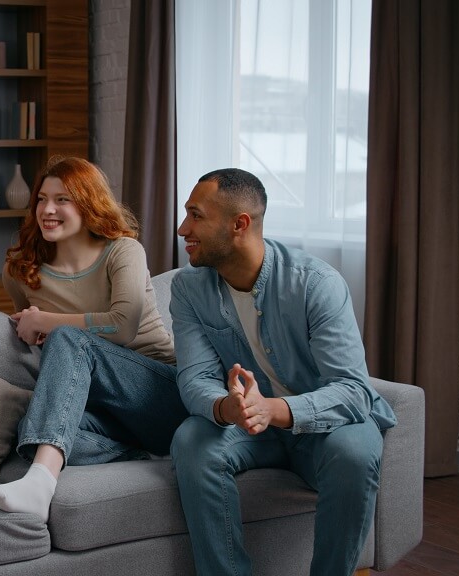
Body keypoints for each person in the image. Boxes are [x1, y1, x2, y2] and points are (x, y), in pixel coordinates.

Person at [169, 168, 397, 576]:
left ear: (239, 224)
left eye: (196, 216)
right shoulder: (189, 288)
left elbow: (353, 390)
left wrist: (273, 410)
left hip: (325, 425)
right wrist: (225, 407)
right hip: (249, 429)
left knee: (357, 451)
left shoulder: (316, 283)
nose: (183, 228)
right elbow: (194, 377)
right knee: (192, 439)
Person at [0, 156, 188, 521]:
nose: (47, 210)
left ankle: (39, 485)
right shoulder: (21, 271)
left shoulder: (123, 251)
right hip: (111, 415)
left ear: (89, 204)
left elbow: (123, 326)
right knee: (32, 431)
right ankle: (144, 454)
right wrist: (40, 330)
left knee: (70, 339)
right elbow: (40, 342)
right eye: (42, 199)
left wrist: (45, 321)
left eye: (62, 200)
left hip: (161, 393)